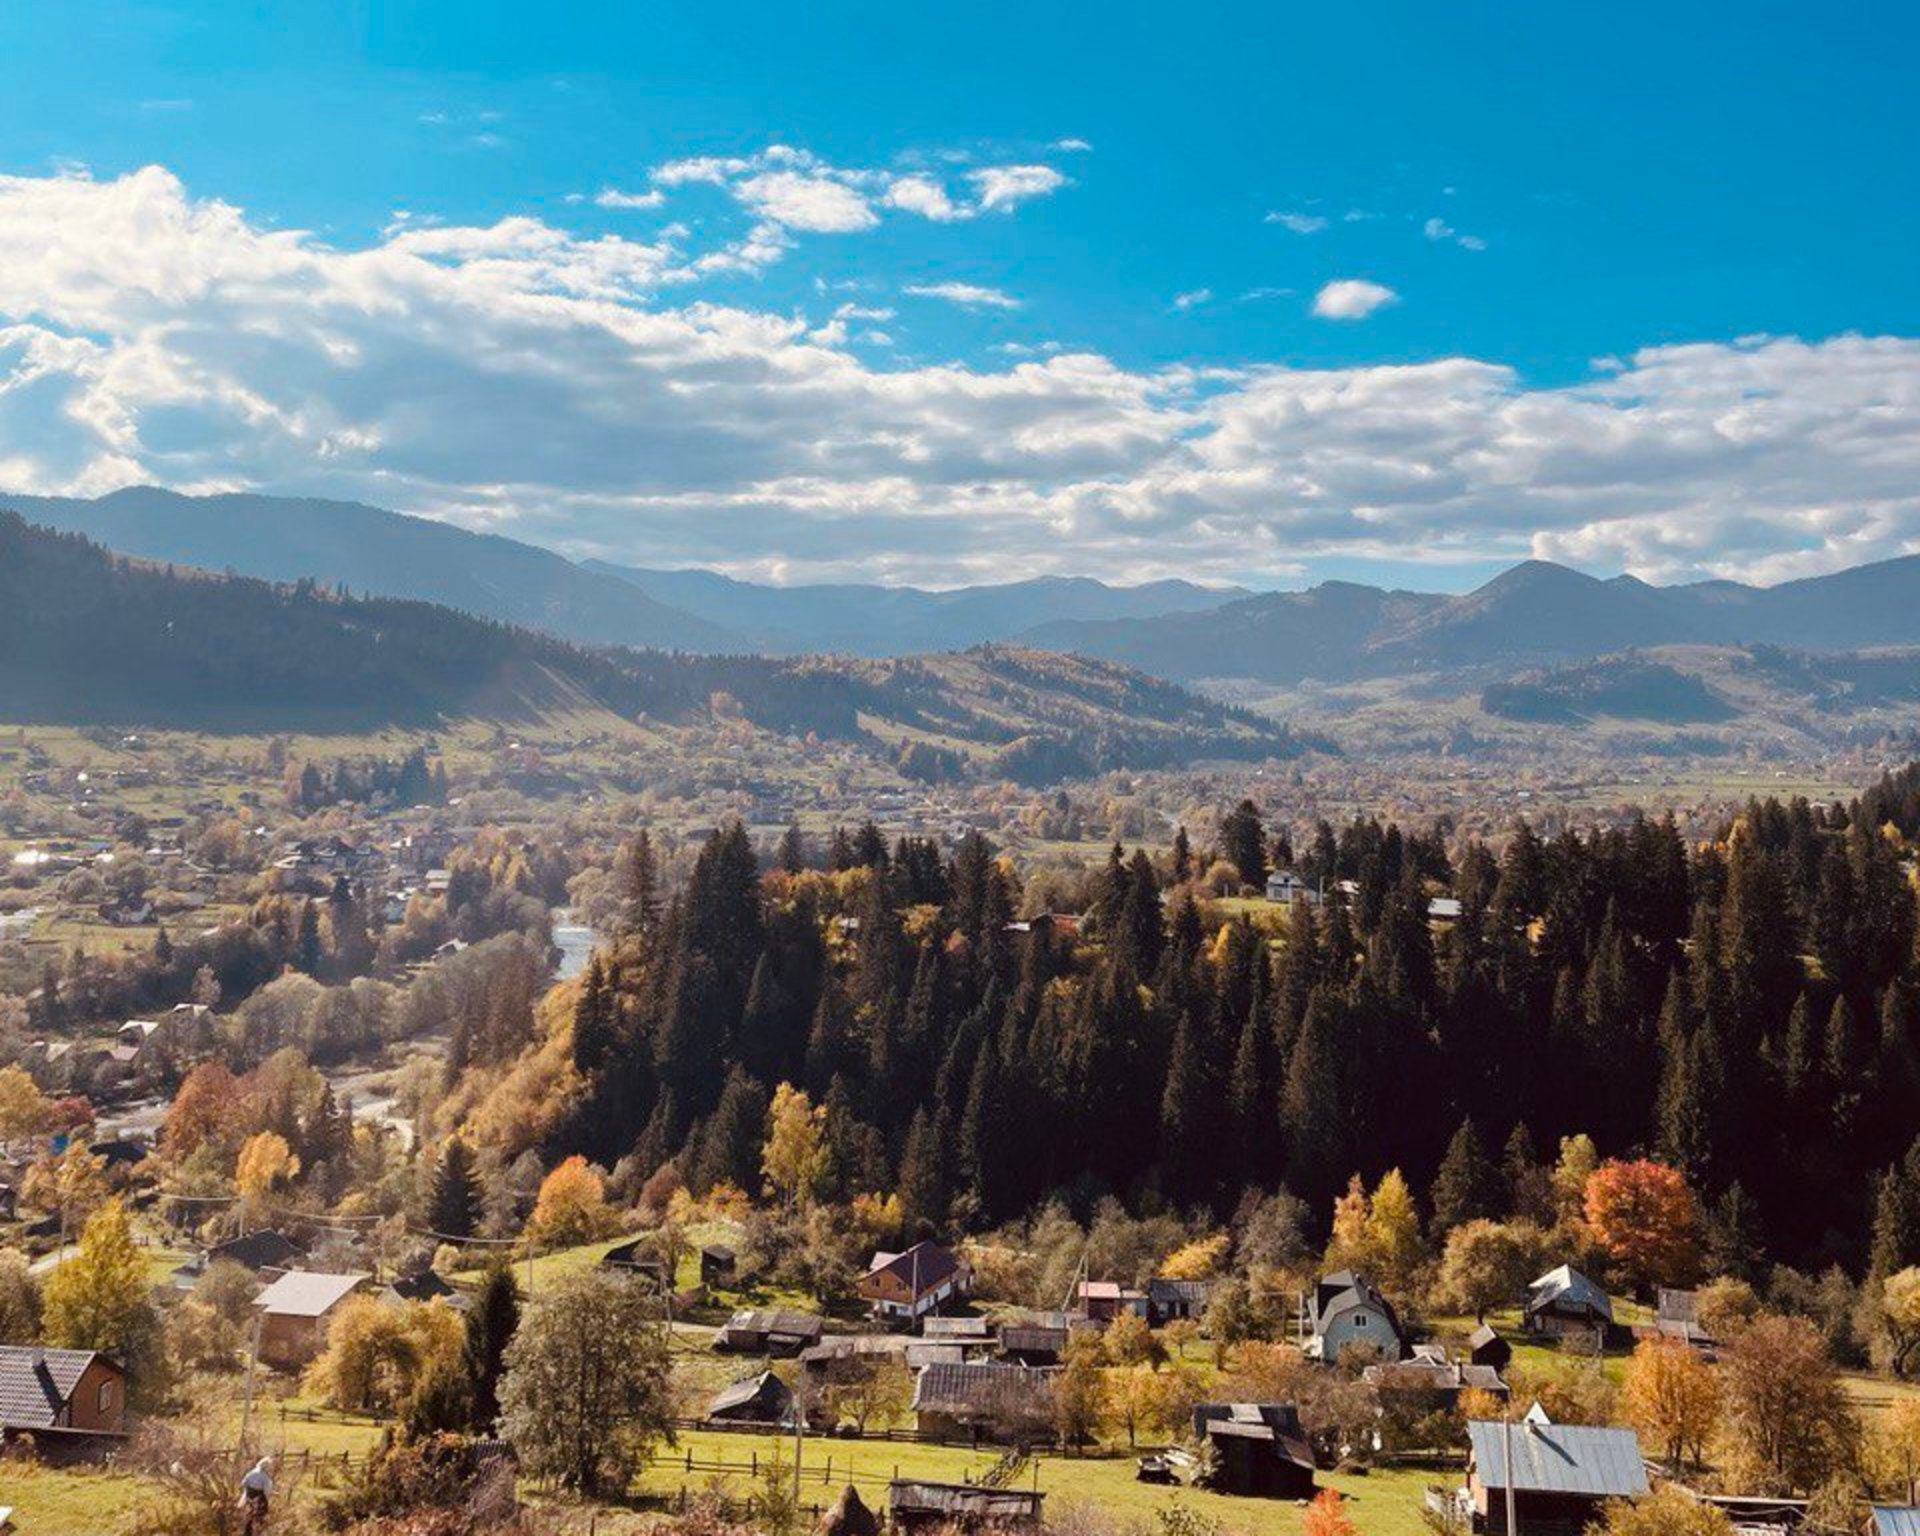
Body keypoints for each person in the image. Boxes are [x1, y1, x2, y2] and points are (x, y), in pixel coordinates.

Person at [238, 1456, 274, 1532]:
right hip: (259, 1495)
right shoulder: (265, 1477)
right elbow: (267, 1490)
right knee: (263, 1511)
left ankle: (247, 1531)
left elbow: (243, 1483)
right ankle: (259, 1529)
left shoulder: (252, 1472)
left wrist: (247, 1491)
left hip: (249, 1494)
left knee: (249, 1513)